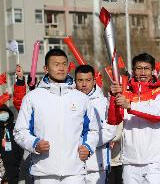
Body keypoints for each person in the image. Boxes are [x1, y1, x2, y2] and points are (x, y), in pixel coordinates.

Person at [13, 48, 99, 184]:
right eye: (56, 64)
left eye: (64, 64)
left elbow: (92, 130)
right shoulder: (33, 98)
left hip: (75, 172)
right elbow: (20, 131)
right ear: (46, 68)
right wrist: (34, 144)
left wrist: (87, 147)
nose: (61, 68)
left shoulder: (81, 98)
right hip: (44, 172)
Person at [108, 53, 160, 184]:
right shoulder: (125, 93)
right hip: (130, 161)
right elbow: (114, 120)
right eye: (139, 68)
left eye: (146, 68)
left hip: (154, 161)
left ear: (153, 71)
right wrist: (114, 97)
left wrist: (130, 105)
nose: (142, 72)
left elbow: (158, 114)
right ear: (133, 71)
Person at [75, 65, 116, 184]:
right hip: (73, 164)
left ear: (94, 81)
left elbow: (109, 131)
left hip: (97, 166)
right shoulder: (69, 101)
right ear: (75, 81)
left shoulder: (103, 103)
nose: (84, 84)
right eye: (80, 80)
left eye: (88, 80)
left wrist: (87, 145)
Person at [0, 104, 24, 184]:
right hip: (2, 164)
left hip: (15, 163)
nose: (2, 115)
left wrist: (20, 159)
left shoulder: (15, 128)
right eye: (0, 113)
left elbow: (20, 144)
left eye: (4, 113)